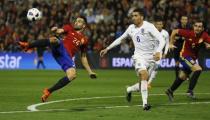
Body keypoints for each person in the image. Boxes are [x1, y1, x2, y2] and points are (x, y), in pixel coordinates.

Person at [19, 16, 97, 102]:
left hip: (65, 57)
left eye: (79, 21)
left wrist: (90, 71)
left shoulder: (84, 40)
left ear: (84, 26)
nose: (76, 22)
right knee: (55, 40)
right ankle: (28, 45)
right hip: (60, 47)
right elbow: (60, 31)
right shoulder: (69, 28)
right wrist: (55, 30)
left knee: (72, 75)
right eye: (76, 21)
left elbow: (83, 56)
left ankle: (48, 91)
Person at [100, 8, 165, 111]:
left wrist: (158, 51)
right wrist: (107, 48)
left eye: (135, 16)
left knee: (143, 84)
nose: (133, 18)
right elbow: (120, 39)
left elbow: (162, 40)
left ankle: (129, 89)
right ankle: (145, 104)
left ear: (141, 17)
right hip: (139, 57)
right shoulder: (131, 28)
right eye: (132, 16)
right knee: (144, 75)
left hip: (151, 58)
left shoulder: (149, 26)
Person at [165, 20, 210, 102]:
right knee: (198, 69)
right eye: (196, 26)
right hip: (184, 56)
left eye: (200, 26)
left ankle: (170, 91)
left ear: (203, 28)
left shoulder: (205, 35)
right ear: (193, 27)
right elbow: (174, 31)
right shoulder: (188, 33)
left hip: (192, 59)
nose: (197, 28)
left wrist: (208, 45)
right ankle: (190, 91)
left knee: (182, 77)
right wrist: (170, 43)